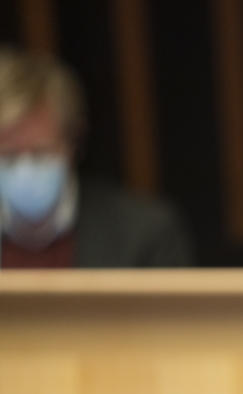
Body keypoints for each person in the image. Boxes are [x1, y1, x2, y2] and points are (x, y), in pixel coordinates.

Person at [0, 48, 192, 267]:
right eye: (9, 156)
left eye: (41, 153)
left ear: (72, 145)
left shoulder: (146, 233)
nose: (25, 169)